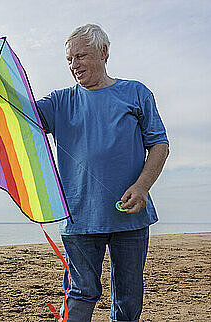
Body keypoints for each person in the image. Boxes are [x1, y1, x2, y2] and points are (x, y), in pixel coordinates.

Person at [36, 24, 169, 322]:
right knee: (81, 293)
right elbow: (19, 114)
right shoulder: (59, 101)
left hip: (130, 214)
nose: (75, 65)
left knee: (129, 297)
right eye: (70, 59)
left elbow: (159, 143)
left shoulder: (136, 92)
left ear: (104, 52)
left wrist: (143, 186)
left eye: (81, 56)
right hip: (78, 217)